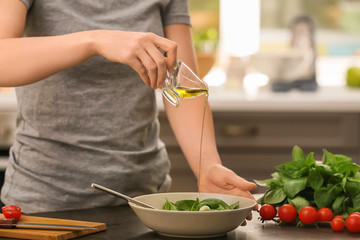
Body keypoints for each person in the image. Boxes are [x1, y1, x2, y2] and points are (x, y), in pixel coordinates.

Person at [0, 0, 257, 218]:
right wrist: (94, 40)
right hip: (44, 203)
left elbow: (182, 83)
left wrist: (207, 167)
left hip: (145, 200)